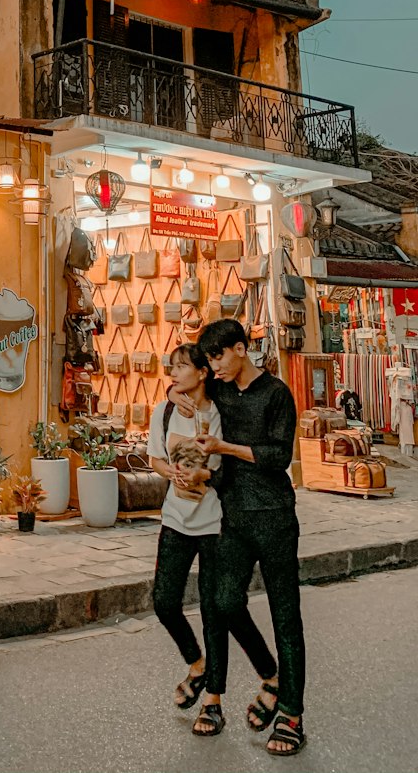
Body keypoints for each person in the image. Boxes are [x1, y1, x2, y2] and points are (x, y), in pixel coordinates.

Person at [185, 319, 305, 757]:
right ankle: (269, 674)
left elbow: (278, 457)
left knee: (286, 618)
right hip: (233, 517)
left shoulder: (276, 394)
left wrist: (224, 449)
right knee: (223, 601)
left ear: (241, 348)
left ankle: (292, 714)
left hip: (274, 517)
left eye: (218, 356)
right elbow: (183, 389)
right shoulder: (218, 391)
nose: (213, 366)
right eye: (209, 360)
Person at [149, 343, 279, 738]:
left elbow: (226, 468)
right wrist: (172, 474)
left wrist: (202, 477)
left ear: (202, 372)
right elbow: (155, 458)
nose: (172, 374)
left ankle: (213, 701)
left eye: (180, 367)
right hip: (175, 518)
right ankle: (197, 665)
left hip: (214, 522)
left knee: (213, 611)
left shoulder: (222, 412)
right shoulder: (165, 409)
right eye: (171, 368)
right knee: (164, 601)